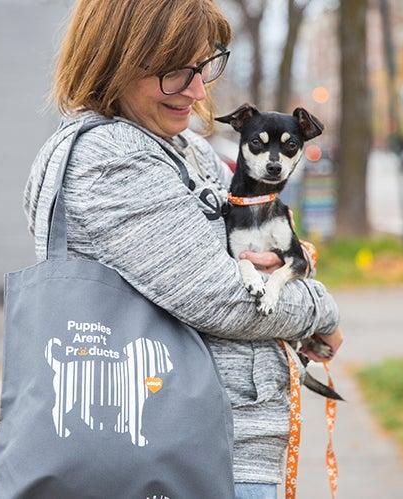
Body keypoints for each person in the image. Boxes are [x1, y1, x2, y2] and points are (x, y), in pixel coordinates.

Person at [23, 1, 343, 497]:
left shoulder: (183, 148)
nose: (197, 91)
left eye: (204, 66)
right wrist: (320, 309)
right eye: (176, 71)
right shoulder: (109, 161)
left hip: (217, 449)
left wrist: (268, 268)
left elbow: (271, 247)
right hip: (182, 459)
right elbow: (226, 300)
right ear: (115, 60)